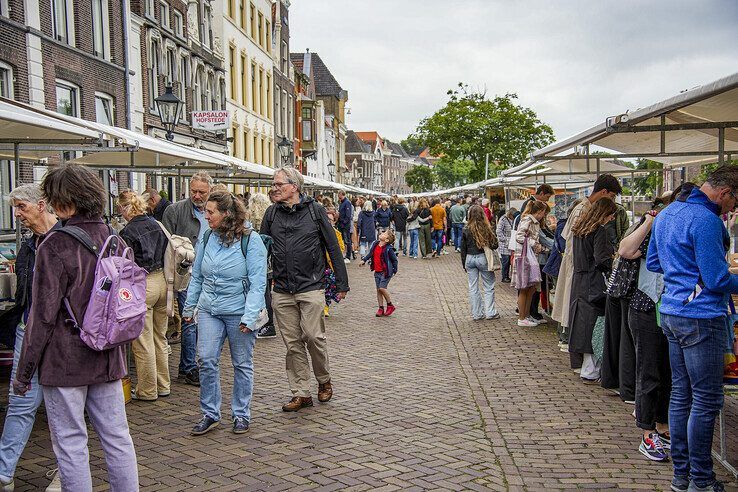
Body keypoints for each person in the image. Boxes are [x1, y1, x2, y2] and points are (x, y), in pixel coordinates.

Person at [14, 165, 138, 491]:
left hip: (64, 360)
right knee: (117, 437)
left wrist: (24, 372)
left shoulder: (54, 245)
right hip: (108, 355)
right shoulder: (114, 237)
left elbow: (41, 316)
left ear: (64, 201)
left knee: (70, 442)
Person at [647, 165, 738, 492]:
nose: (733, 210)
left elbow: (654, 262)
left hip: (671, 312)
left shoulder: (669, 213)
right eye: (734, 202)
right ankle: (701, 480)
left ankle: (682, 477)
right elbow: (717, 279)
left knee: (682, 396)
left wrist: (682, 271)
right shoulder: (707, 220)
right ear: (725, 192)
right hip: (701, 317)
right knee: (706, 400)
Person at [260, 167, 349, 412]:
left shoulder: (315, 210)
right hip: (282, 288)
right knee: (292, 343)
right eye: (274, 184)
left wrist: (342, 283)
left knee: (313, 337)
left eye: (279, 184)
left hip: (311, 285)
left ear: (294, 187)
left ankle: (323, 380)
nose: (274, 188)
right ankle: (301, 392)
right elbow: (261, 251)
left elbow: (333, 247)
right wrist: (257, 285)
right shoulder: (271, 214)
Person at [183, 191, 267, 435]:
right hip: (210, 309)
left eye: (210, 212)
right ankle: (210, 413)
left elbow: (257, 283)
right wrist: (190, 307)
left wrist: (250, 317)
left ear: (227, 214)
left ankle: (241, 413)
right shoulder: (207, 236)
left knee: (241, 363)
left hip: (239, 312)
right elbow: (197, 275)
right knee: (206, 359)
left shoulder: (251, 241)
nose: (205, 215)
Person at [0, 185, 61, 491]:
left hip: (61, 337)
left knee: (61, 406)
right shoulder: (27, 246)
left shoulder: (66, 240)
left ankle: (66, 471)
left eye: (21, 207)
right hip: (29, 331)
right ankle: (4, 472)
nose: (18, 214)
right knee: (20, 401)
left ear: (40, 205)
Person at [618, 207, 671, 463]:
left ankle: (661, 425)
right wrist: (649, 220)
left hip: (671, 309)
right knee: (649, 371)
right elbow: (625, 250)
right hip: (646, 307)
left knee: (668, 372)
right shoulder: (649, 230)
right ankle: (648, 432)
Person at [551, 174, 622, 358]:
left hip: (580, 271)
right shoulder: (583, 210)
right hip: (582, 272)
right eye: (612, 197)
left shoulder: (585, 209)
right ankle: (574, 346)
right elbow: (574, 245)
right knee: (580, 315)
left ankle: (573, 345)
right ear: (604, 192)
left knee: (576, 313)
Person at [117, 190, 170, 401]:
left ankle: (147, 390)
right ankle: (163, 384)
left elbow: (125, 266)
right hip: (163, 282)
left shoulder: (127, 233)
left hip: (143, 285)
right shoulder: (156, 224)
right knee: (160, 337)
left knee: (142, 340)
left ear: (125, 208)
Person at [162, 171, 213, 387]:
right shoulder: (175, 211)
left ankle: (191, 365)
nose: (197, 196)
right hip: (185, 274)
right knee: (190, 320)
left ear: (210, 191)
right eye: (194, 191)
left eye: (202, 192)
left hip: (209, 274)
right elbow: (165, 242)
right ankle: (189, 368)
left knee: (203, 321)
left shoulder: (215, 211)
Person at [568, 198, 617, 384]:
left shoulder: (579, 229)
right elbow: (601, 258)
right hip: (594, 280)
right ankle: (592, 369)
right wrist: (611, 262)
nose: (612, 218)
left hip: (579, 279)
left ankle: (585, 366)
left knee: (582, 322)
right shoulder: (599, 231)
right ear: (604, 213)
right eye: (611, 215)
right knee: (596, 323)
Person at [460, 205, 500, 320]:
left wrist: (464, 264)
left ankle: (477, 314)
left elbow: (463, 248)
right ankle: (490, 312)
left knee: (473, 287)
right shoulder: (487, 228)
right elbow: (495, 245)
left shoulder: (466, 229)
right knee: (488, 286)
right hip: (483, 257)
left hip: (469, 258)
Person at [514, 201, 549, 327]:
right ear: (539, 212)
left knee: (531, 288)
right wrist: (535, 244)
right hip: (525, 259)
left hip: (529, 258)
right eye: (544, 212)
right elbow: (519, 237)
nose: (544, 215)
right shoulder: (528, 220)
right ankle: (522, 317)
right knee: (525, 288)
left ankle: (526, 315)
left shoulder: (532, 221)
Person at [247, 192, 276, 339]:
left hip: (259, 262)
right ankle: (267, 322)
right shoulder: (272, 216)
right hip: (269, 262)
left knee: (262, 293)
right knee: (266, 293)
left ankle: (267, 323)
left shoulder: (252, 222)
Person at [361, 229, 398, 317]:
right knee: (378, 290)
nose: (381, 233)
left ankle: (390, 305)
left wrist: (394, 270)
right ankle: (380, 308)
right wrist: (364, 260)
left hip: (386, 272)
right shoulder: (375, 244)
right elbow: (370, 253)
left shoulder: (389, 249)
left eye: (384, 233)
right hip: (377, 271)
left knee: (382, 288)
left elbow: (394, 260)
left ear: (387, 240)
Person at [496, 208, 516, 283]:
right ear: (510, 214)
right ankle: (504, 277)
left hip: (511, 244)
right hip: (504, 245)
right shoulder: (503, 219)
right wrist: (505, 240)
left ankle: (508, 276)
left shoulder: (513, 219)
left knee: (510, 260)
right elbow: (498, 231)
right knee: (505, 261)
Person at [338, 191, 353, 264]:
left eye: (339, 194)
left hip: (345, 225)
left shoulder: (347, 203)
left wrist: (343, 222)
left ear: (342, 194)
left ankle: (348, 256)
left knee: (347, 240)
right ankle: (345, 255)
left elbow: (348, 215)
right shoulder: (342, 202)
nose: (338, 196)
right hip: (341, 224)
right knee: (344, 240)